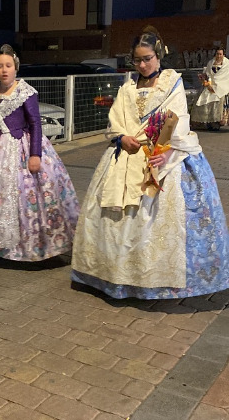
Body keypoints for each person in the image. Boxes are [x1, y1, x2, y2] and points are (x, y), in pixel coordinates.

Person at [71, 26, 229, 300]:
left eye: (147, 59)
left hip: (162, 154)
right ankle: (115, 275)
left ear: (158, 56)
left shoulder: (171, 83)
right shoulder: (128, 87)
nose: (142, 65)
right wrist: (121, 137)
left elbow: (178, 120)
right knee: (114, 217)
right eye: (137, 60)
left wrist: (166, 152)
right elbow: (115, 119)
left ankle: (159, 279)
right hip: (126, 154)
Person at [0, 44, 79, 261]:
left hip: (18, 148)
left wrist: (35, 154)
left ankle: (27, 247)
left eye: (8, 66)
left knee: (21, 195)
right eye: (0, 66)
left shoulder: (25, 91)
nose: (4, 70)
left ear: (16, 67)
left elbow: (35, 124)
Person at [190, 47, 229, 131]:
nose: (219, 56)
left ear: (223, 54)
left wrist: (217, 86)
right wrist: (206, 81)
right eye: (217, 54)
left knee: (218, 99)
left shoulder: (227, 64)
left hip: (222, 86)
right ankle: (206, 122)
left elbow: (225, 78)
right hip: (210, 85)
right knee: (203, 98)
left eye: (220, 54)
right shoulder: (211, 63)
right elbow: (208, 74)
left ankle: (216, 123)